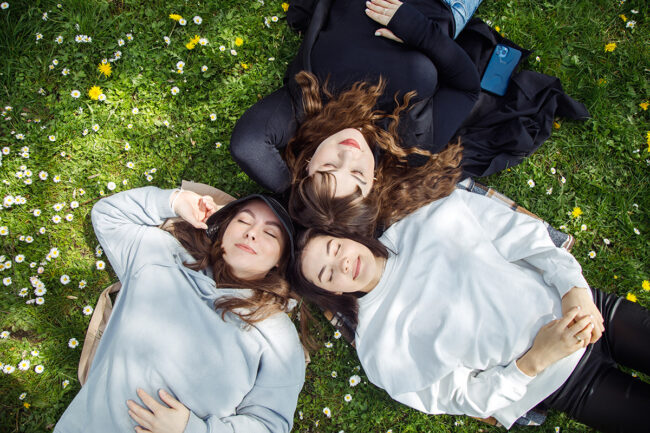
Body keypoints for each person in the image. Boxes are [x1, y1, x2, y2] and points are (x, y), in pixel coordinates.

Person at [289, 188, 650, 432]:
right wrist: (535, 361)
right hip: (564, 384)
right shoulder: (379, 351)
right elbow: (464, 398)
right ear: (329, 291)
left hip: (588, 307)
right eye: (326, 274)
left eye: (335, 248)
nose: (342, 264)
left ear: (346, 235)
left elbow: (525, 235)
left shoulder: (428, 217)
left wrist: (575, 290)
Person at [55, 186, 305, 433]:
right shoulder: (161, 256)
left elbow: (270, 424)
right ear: (223, 230)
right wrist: (176, 201)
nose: (252, 233)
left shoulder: (277, 332)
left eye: (270, 234)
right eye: (243, 221)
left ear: (280, 261)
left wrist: (192, 430)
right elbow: (108, 214)